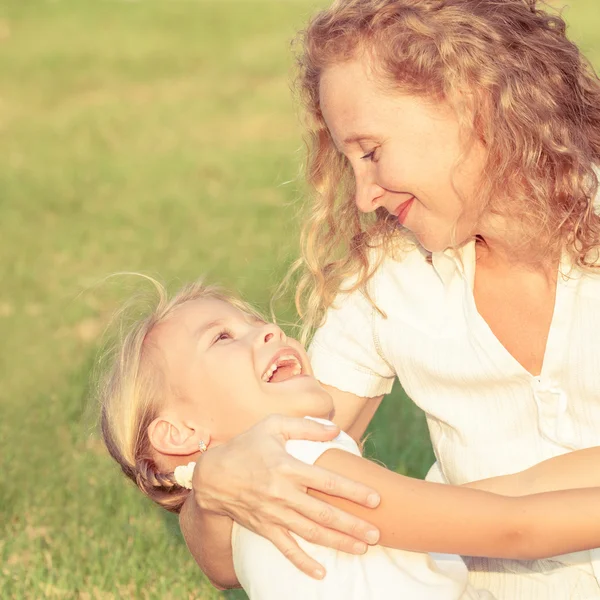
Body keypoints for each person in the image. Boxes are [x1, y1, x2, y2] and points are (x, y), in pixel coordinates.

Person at [179, 0, 600, 598]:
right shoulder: (389, 281)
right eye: (348, 162)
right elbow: (230, 559)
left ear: (473, 101)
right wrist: (216, 488)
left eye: (371, 152)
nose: (362, 196)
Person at [99, 279, 600, 600]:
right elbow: (514, 527)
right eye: (223, 338)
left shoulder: (246, 501)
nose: (270, 330)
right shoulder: (301, 466)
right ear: (180, 432)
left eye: (256, 322)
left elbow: (493, 496)